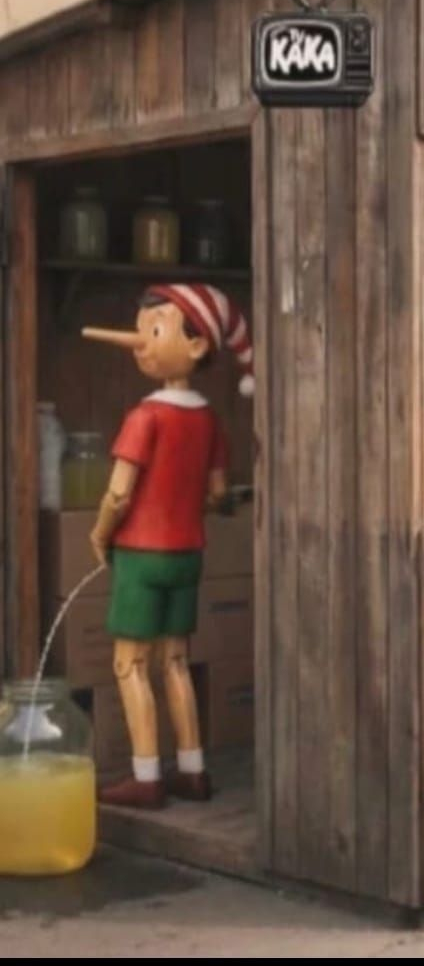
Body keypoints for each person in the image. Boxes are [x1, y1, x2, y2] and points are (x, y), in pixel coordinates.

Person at [82, 283, 254, 810]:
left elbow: (118, 492)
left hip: (142, 555)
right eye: (141, 330)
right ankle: (194, 770)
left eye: (155, 329)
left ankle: (146, 775)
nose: (140, 341)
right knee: (176, 660)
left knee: (130, 664)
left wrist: (100, 533)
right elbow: (218, 494)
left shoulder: (145, 417)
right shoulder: (209, 421)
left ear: (198, 345)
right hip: (187, 555)